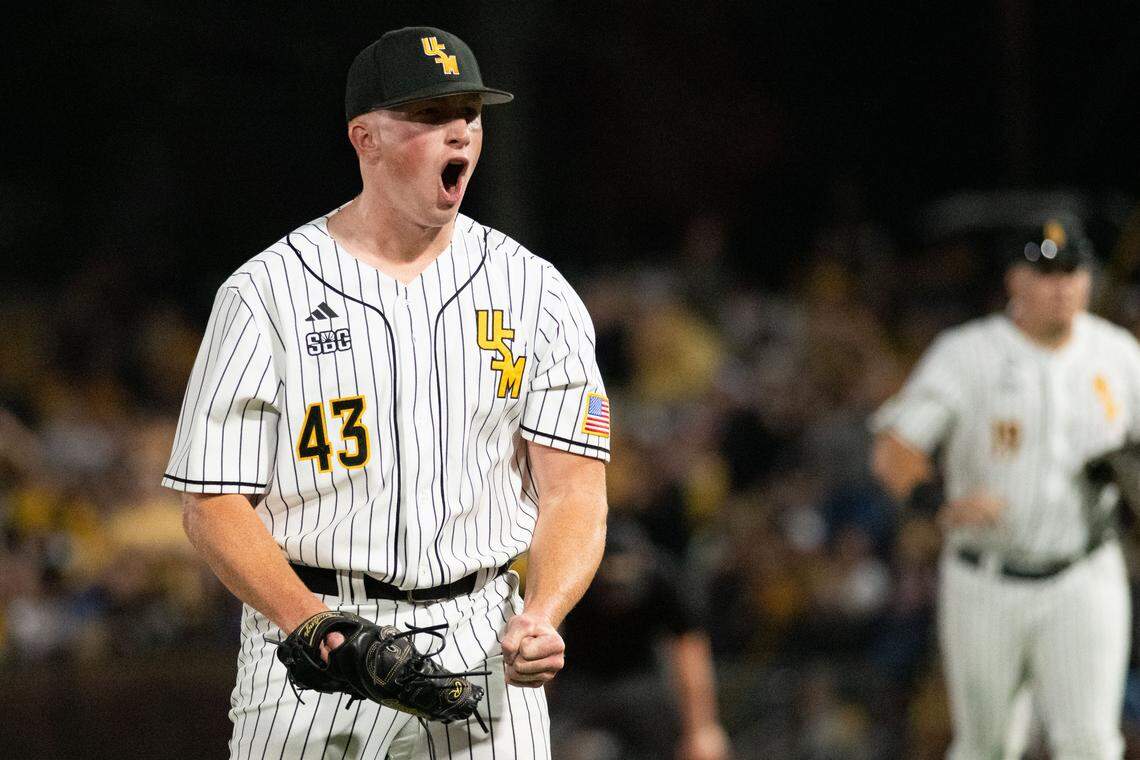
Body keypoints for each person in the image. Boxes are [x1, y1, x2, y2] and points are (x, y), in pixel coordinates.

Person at [162, 26, 610, 759]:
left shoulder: (535, 291)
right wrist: (314, 627)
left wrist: (544, 612)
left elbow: (574, 489)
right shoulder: (266, 293)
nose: (459, 132)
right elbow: (211, 503)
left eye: (469, 114)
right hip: (311, 648)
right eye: (431, 117)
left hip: (480, 643)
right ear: (364, 137)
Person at [870, 221, 1136, 759]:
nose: (1061, 286)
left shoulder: (1119, 354)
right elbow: (893, 448)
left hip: (1084, 575)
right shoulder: (968, 355)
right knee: (988, 746)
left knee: (1091, 745)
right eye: (1046, 273)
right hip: (986, 579)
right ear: (1015, 279)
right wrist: (936, 504)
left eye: (1072, 272)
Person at [549, 515, 731, 760]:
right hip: (580, 684)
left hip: (640, 683)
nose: (618, 594)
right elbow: (546, 640)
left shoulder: (663, 580)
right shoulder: (573, 577)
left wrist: (702, 729)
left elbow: (689, 652)